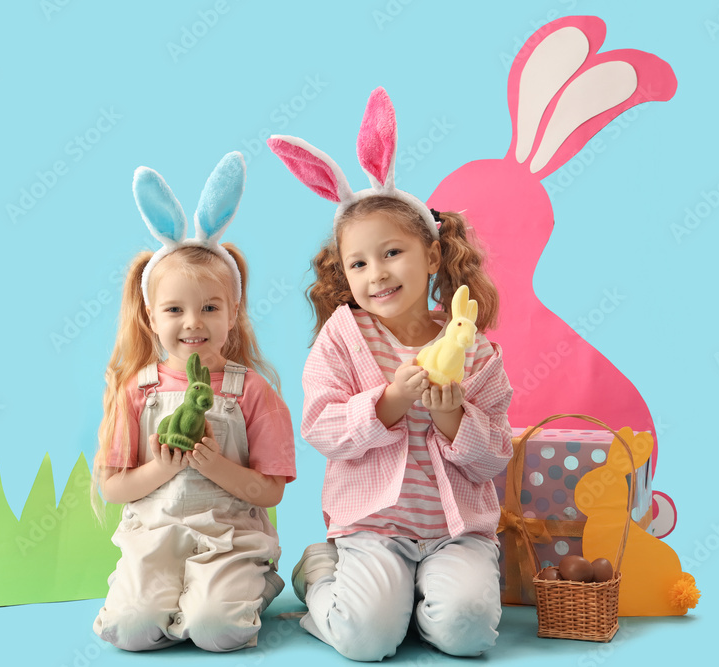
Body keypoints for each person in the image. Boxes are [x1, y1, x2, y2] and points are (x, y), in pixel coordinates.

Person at [268, 88, 513, 661]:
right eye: (358, 263)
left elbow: (495, 454)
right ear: (344, 274)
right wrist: (387, 403)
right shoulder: (344, 338)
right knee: (365, 639)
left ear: (431, 256)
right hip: (374, 529)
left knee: (469, 630)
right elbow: (321, 427)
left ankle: (420, 607)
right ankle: (324, 571)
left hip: (457, 534)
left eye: (393, 253)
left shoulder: (473, 349)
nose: (376, 273)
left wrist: (454, 417)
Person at [90, 153, 296, 653]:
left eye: (209, 308)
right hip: (154, 539)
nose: (192, 323)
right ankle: (166, 595)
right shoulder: (135, 390)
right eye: (175, 309)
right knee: (134, 630)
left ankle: (252, 585)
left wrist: (213, 464)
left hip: (230, 539)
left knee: (216, 631)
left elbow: (268, 493)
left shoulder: (251, 391)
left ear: (234, 313)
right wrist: (162, 466)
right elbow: (115, 489)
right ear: (151, 315)